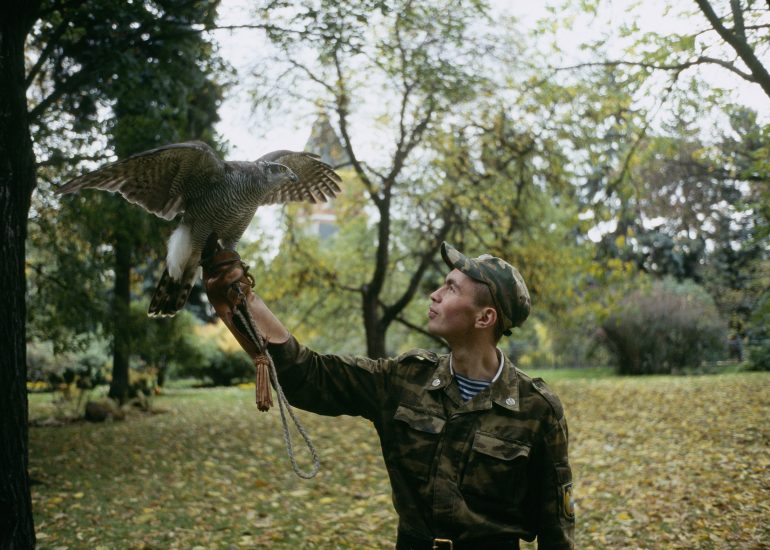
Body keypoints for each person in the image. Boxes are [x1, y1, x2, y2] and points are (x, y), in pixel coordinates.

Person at [215, 242, 575, 549]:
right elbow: (309, 375)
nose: (434, 295)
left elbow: (556, 533)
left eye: (451, 288)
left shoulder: (536, 410)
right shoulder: (404, 380)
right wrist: (242, 298)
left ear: (485, 318)